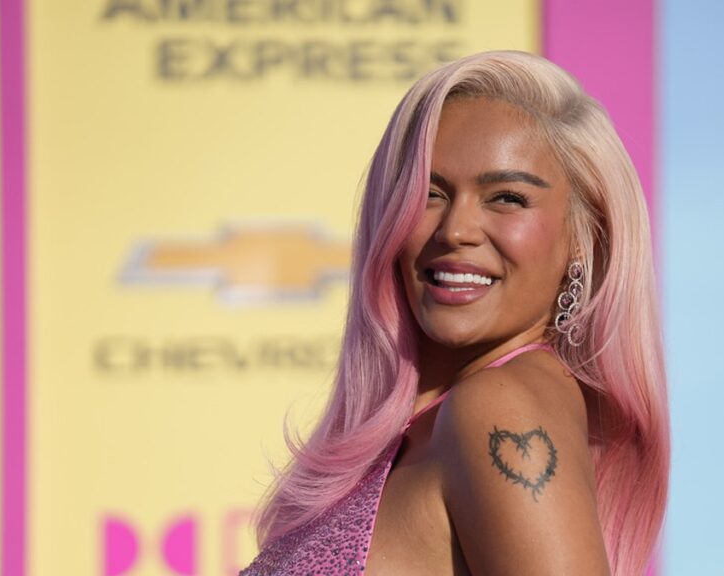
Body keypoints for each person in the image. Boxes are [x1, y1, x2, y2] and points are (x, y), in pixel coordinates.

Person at [240, 49, 669, 576]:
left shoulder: (505, 406)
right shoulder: (429, 428)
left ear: (586, 236)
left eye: (507, 198)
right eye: (429, 193)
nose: (456, 230)